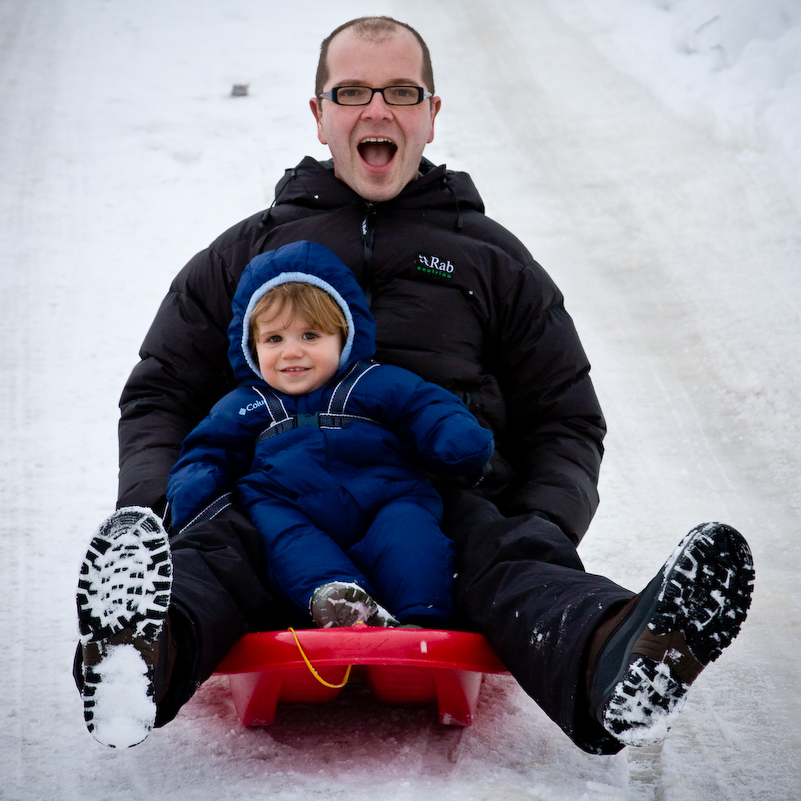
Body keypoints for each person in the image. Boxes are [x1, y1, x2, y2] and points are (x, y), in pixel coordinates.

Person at [74, 16, 755, 753]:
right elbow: (162, 391)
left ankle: (617, 656)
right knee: (215, 552)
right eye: (353, 91)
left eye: (401, 91)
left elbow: (564, 416)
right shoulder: (250, 251)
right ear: (319, 114)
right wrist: (160, 514)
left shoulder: (491, 260)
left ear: (431, 116)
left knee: (512, 560)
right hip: (276, 503)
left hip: (440, 510)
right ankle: (138, 656)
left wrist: (541, 524)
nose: (377, 110)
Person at [165, 240, 494, 631]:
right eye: (274, 339)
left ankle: (420, 621)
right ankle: (337, 600)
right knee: (284, 540)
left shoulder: (373, 382)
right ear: (250, 346)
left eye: (310, 336)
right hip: (287, 505)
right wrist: (194, 497)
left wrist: (457, 438)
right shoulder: (245, 404)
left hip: (386, 497)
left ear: (344, 336)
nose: (291, 352)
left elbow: (424, 405)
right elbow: (206, 450)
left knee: (411, 537)